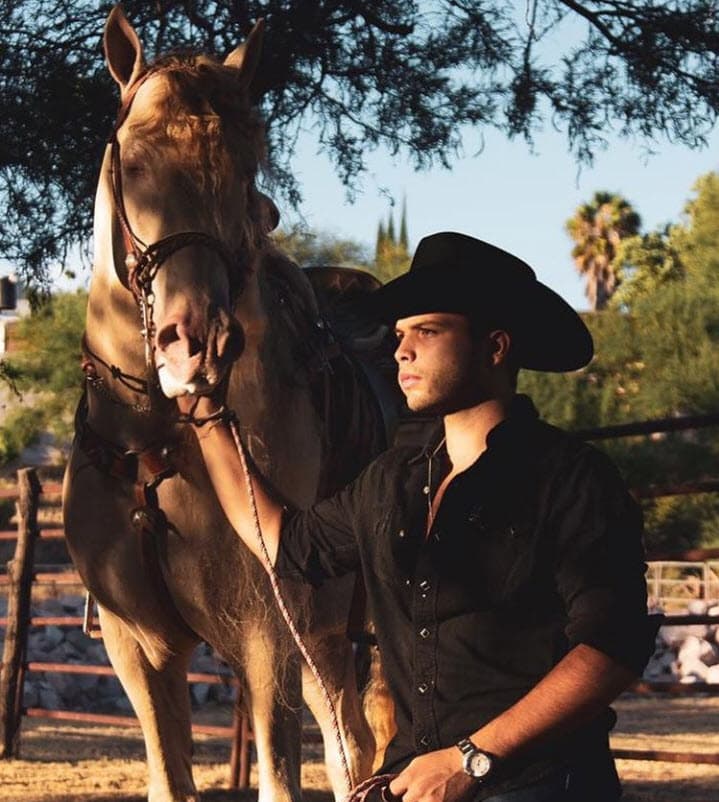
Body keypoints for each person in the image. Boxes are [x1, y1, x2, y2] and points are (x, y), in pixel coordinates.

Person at [179, 232, 656, 802]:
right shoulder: (392, 480)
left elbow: (613, 648)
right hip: (409, 781)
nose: (401, 350)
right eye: (400, 335)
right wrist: (207, 414)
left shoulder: (572, 477)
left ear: (495, 347)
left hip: (538, 784)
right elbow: (284, 543)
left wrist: (470, 759)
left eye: (427, 331)